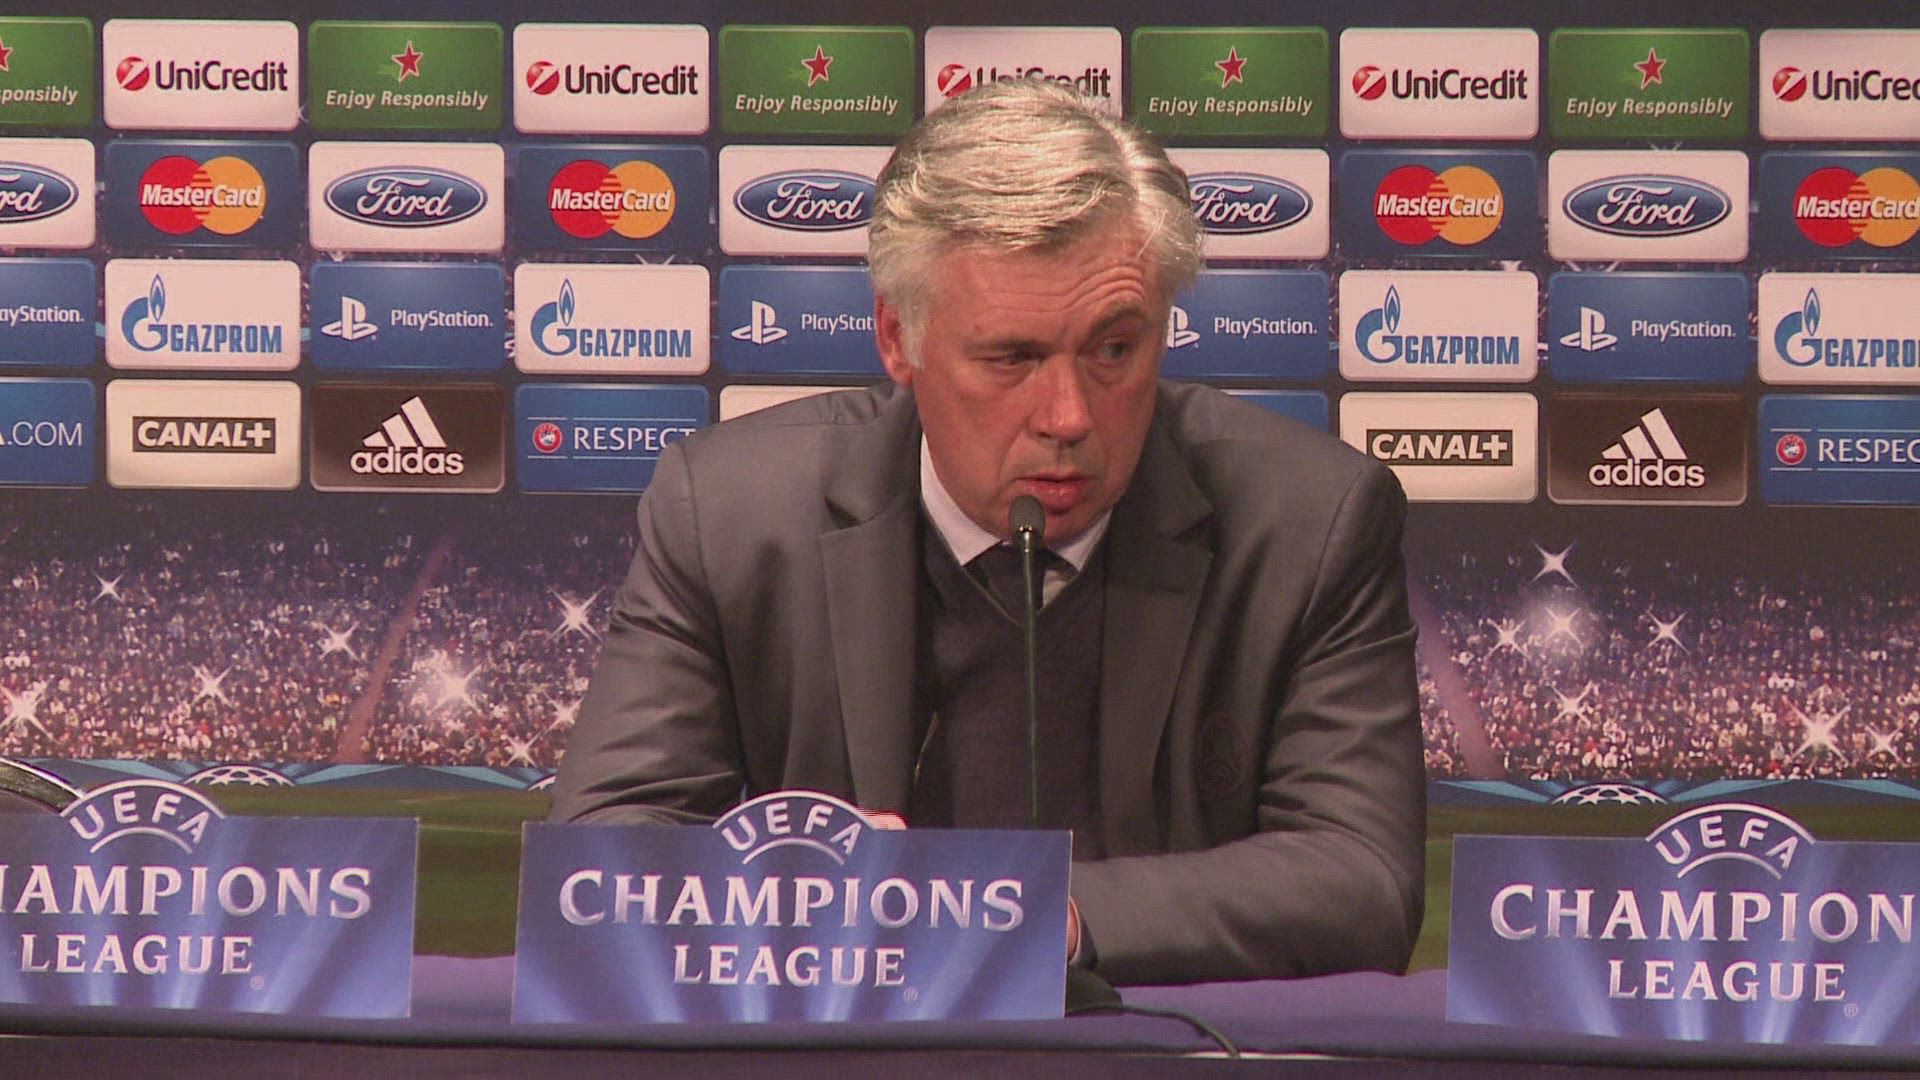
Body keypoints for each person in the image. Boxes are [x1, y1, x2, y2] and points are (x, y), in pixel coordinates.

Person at [550, 78, 1425, 986]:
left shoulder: (1310, 521)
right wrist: (795, 891)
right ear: (899, 339)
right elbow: (597, 861)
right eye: (1011, 357)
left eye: (1113, 349)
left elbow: (1362, 881)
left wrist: (1022, 913)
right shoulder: (731, 515)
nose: (1068, 416)